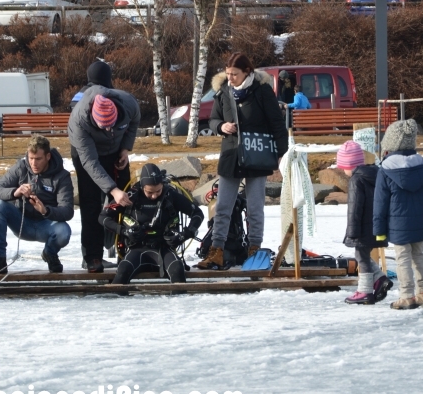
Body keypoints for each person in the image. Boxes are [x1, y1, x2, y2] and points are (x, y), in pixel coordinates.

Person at [195, 52, 288, 270]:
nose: (230, 78)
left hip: (257, 153)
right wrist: (220, 127)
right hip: (231, 154)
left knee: (255, 207)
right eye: (227, 74)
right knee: (223, 206)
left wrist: (282, 153)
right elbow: (214, 118)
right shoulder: (223, 91)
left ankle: (254, 250)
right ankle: (216, 251)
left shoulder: (262, 90)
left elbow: (276, 122)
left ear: (247, 72)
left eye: (234, 74)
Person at [69, 82, 141, 273]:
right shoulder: (79, 121)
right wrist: (112, 190)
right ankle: (92, 256)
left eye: (112, 125)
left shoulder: (128, 103)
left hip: (115, 149)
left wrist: (125, 149)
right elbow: (91, 164)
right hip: (87, 155)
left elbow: (134, 121)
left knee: (125, 201)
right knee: (91, 203)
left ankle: (125, 250)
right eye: (104, 127)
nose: (108, 129)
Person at [0, 135, 74, 275]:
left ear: (48, 157)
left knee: (64, 231)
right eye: (31, 158)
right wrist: (15, 192)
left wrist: (46, 210)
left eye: (38, 159)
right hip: (22, 223)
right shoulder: (21, 167)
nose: (33, 163)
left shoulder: (62, 176)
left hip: (47, 224)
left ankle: (50, 253)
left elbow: (67, 211)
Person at [101, 164, 204, 285]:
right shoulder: (131, 196)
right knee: (123, 270)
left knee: (177, 269)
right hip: (137, 249)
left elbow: (197, 213)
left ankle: (178, 303)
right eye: (149, 192)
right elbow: (103, 217)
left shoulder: (170, 195)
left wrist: (185, 234)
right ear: (142, 186)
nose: (154, 195)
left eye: (158, 191)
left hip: (164, 249)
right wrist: (124, 231)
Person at [373, 119, 423, 310]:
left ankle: (406, 296)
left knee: (403, 259)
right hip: (421, 223)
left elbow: (380, 203)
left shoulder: (386, 169)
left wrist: (379, 231)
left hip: (398, 224)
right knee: (419, 256)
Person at [336, 141, 392, 305]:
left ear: (349, 164)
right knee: (363, 255)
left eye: (343, 167)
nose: (343, 170)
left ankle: (365, 291)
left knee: (361, 256)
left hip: (362, 227)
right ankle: (381, 279)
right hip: (377, 225)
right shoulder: (377, 175)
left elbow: (355, 208)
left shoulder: (356, 180)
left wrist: (352, 232)